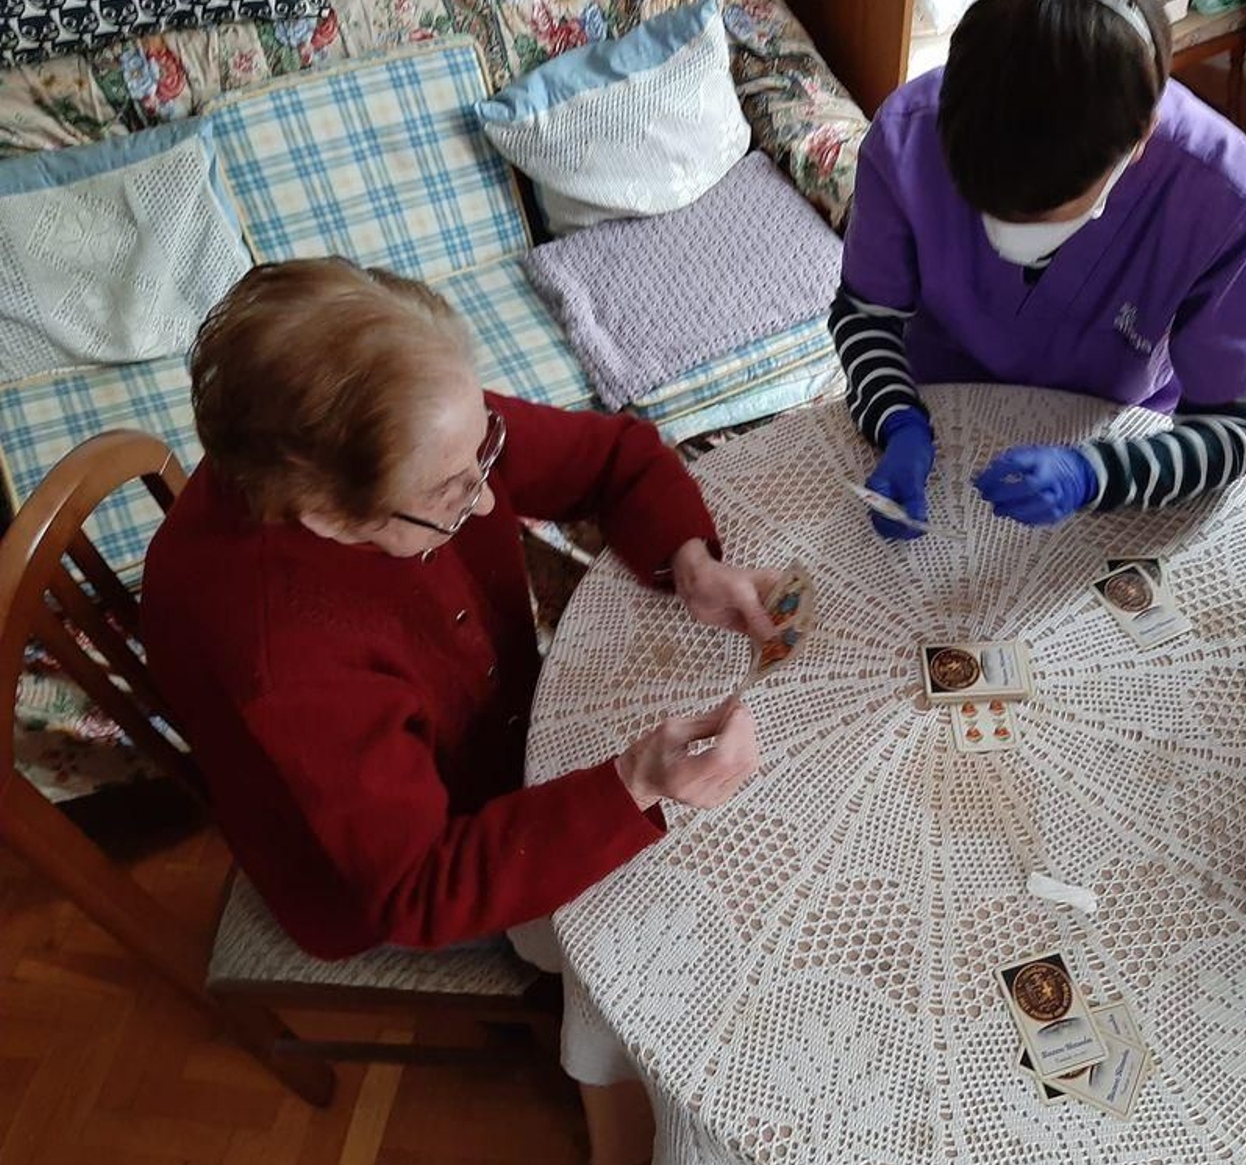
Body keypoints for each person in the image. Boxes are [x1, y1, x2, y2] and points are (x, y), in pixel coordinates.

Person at [143, 258, 778, 959]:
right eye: (449, 493)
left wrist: (690, 561)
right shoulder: (288, 655)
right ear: (328, 515)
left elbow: (611, 457)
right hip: (400, 876)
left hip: (498, 731)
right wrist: (637, 782)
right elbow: (418, 891)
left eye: (483, 452)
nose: (484, 501)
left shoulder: (400, 415)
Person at [831, 0, 1246, 539]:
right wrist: (895, 418)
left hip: (1115, 432)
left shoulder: (1223, 198)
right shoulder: (907, 135)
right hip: (932, 405)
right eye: (985, 209)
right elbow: (865, 315)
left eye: (1046, 216)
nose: (1006, 240)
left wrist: (1096, 474)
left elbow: (1232, 430)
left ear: (1140, 139)